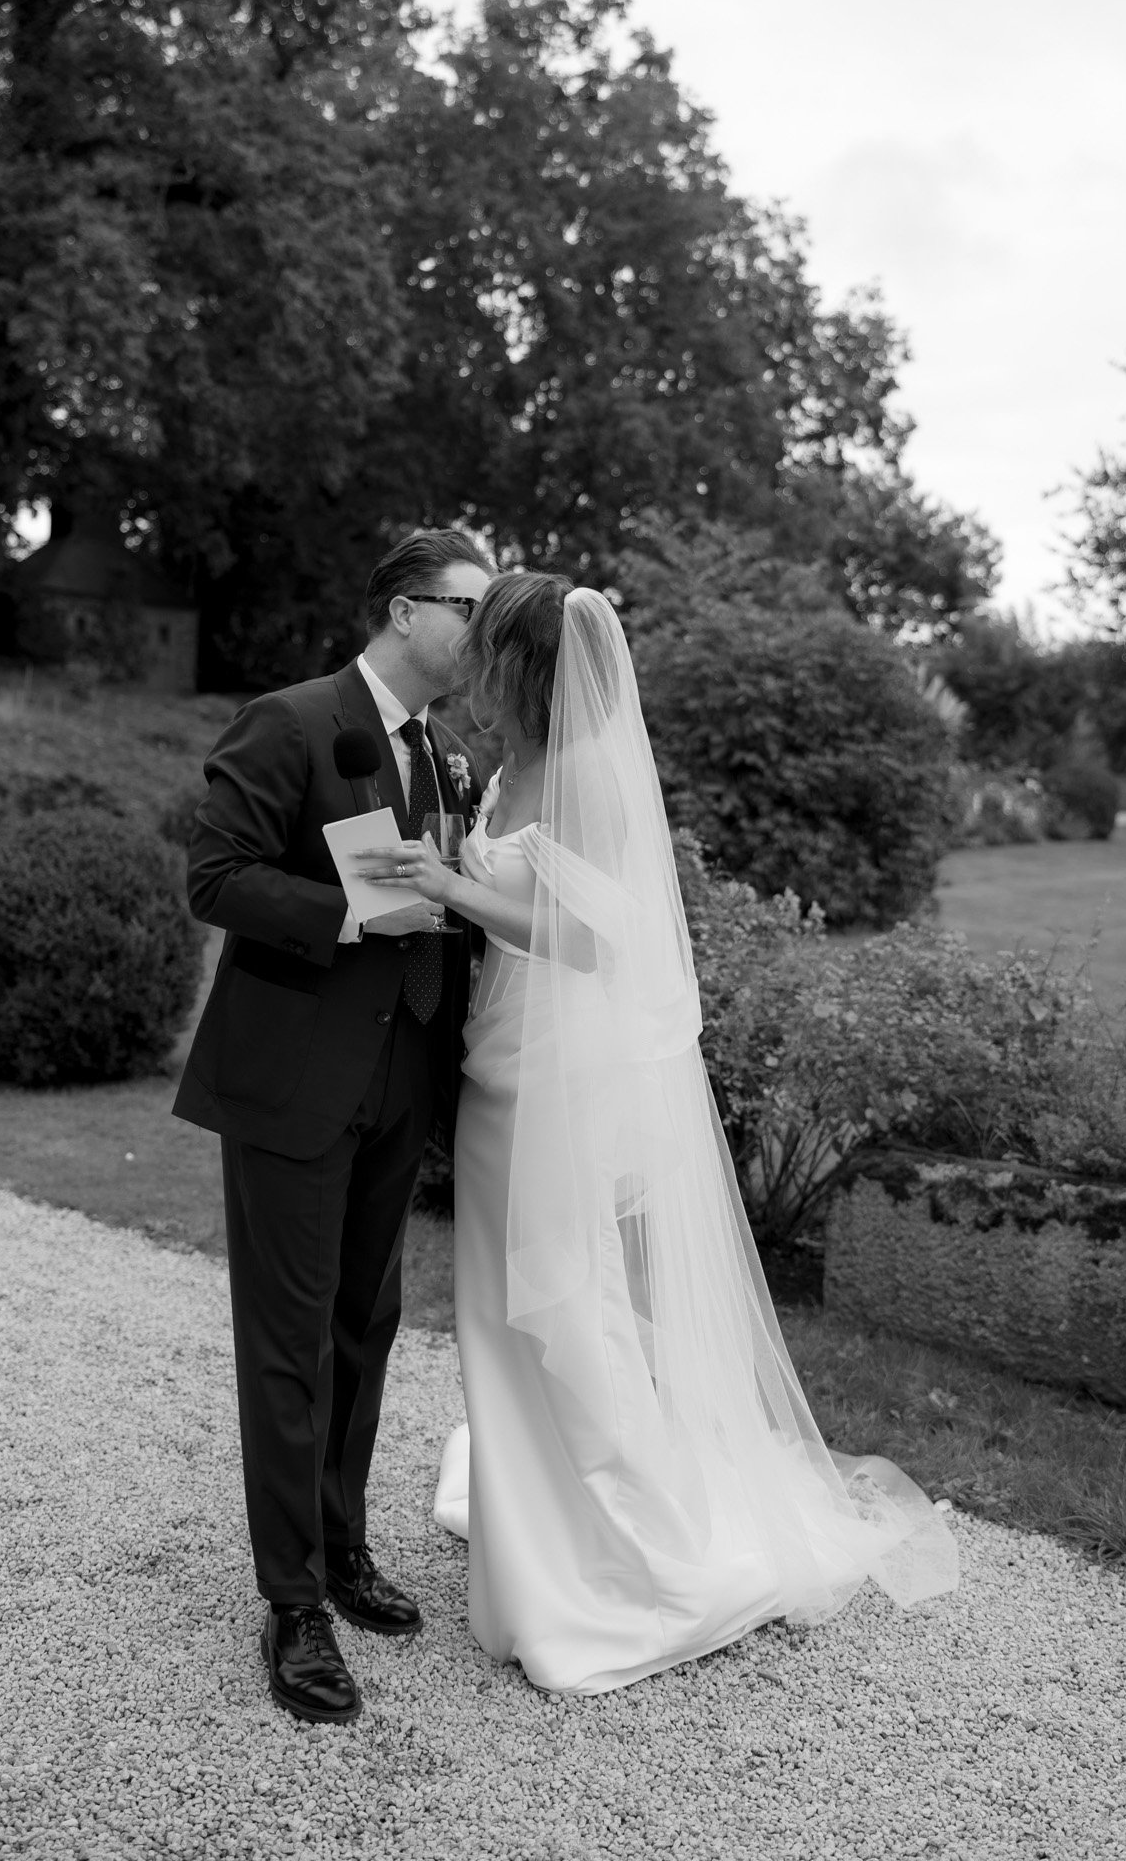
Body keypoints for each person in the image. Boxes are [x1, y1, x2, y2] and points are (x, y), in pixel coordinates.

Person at [358, 574, 959, 1695]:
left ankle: (653, 1546)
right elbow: (509, 894)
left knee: (559, 1302)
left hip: (560, 1081)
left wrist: (451, 884)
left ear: (525, 665)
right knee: (506, 1304)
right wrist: (434, 877)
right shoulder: (510, 766)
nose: (473, 673)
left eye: (488, 653)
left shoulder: (585, 772)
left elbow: (593, 939)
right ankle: (542, 1531)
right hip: (501, 1066)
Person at [173, 529, 492, 1724]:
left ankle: (345, 1549)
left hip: (401, 1073)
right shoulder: (290, 719)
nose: (481, 627)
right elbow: (214, 877)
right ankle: (292, 1598)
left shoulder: (447, 755)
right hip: (294, 1075)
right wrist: (355, 909)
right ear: (406, 611)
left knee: (367, 1327)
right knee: (289, 1339)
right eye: (469, 605)